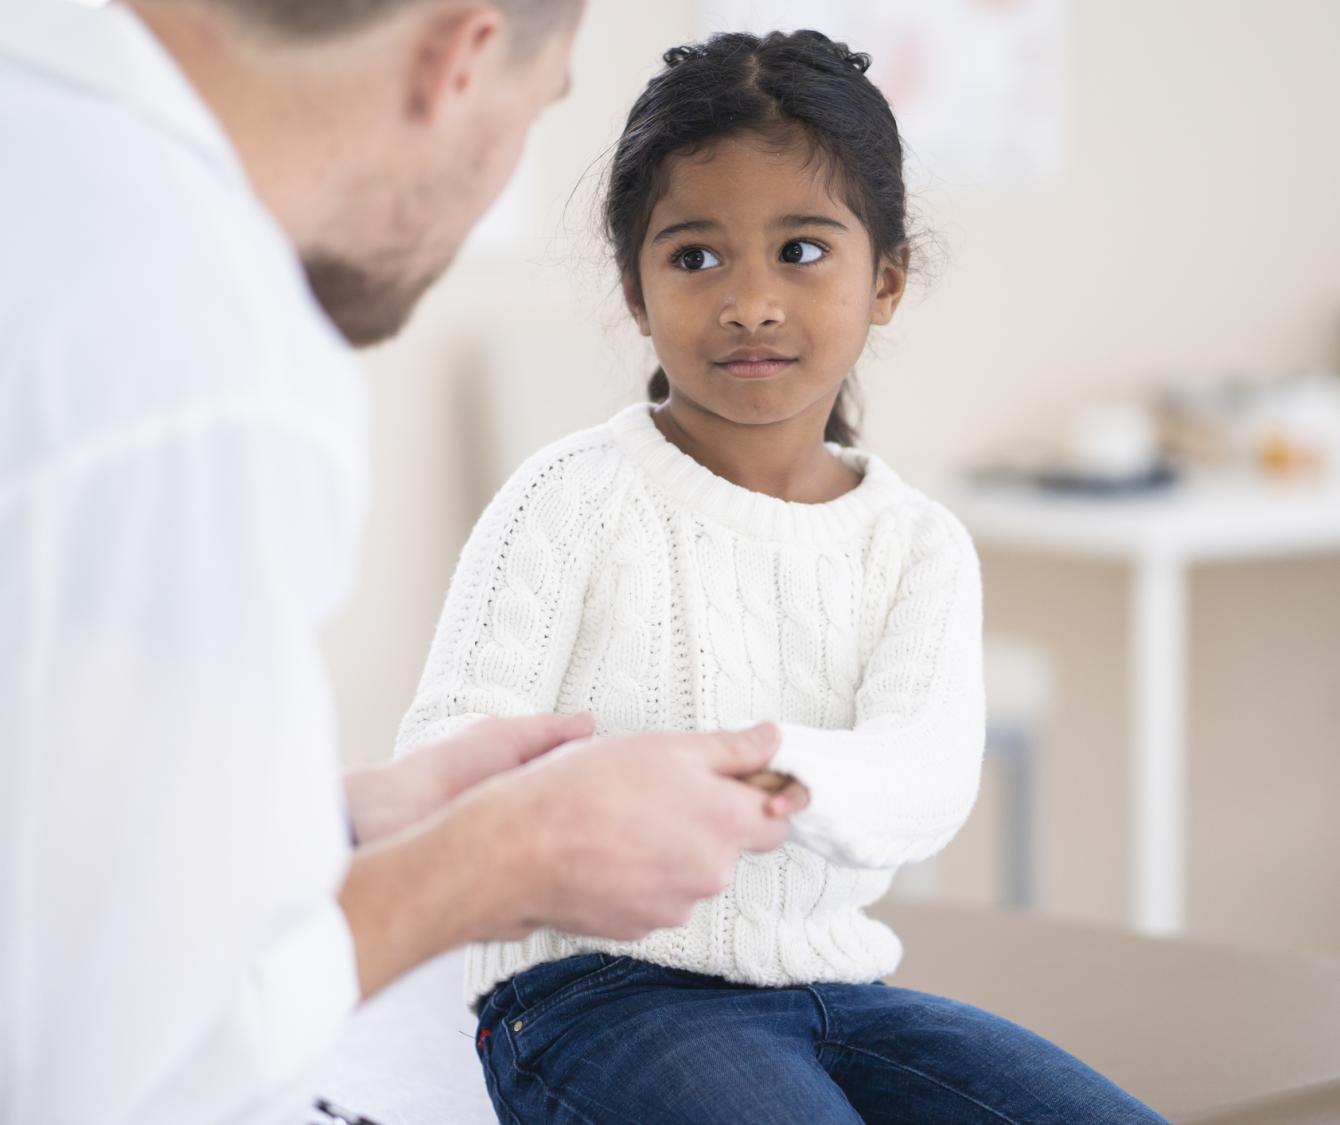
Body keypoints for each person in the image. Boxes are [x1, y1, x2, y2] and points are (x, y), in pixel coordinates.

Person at [0, 1, 806, 1122]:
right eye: (532, 119)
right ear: (461, 57)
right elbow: (116, 1089)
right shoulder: (183, 346)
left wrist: (325, 823)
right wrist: (503, 859)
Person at [397, 30, 1170, 1123]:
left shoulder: (917, 545)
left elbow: (925, 778)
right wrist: (593, 807)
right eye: (696, 256)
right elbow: (441, 757)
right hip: (590, 997)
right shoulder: (566, 499)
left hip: (840, 993)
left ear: (887, 278)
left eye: (801, 252)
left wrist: (739, 774)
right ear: (635, 289)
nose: (750, 301)